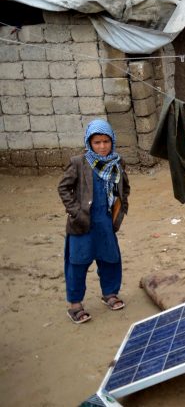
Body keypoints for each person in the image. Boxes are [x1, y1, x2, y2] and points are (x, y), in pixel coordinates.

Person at [57, 119, 130, 324]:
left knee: (110, 259)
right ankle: (75, 304)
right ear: (90, 143)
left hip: (106, 223)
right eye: (97, 142)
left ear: (112, 141)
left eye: (106, 141)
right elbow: (63, 188)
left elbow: (124, 187)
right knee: (77, 263)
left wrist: (121, 209)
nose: (102, 146)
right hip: (82, 225)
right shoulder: (79, 163)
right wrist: (75, 212)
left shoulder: (117, 162)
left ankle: (110, 293)